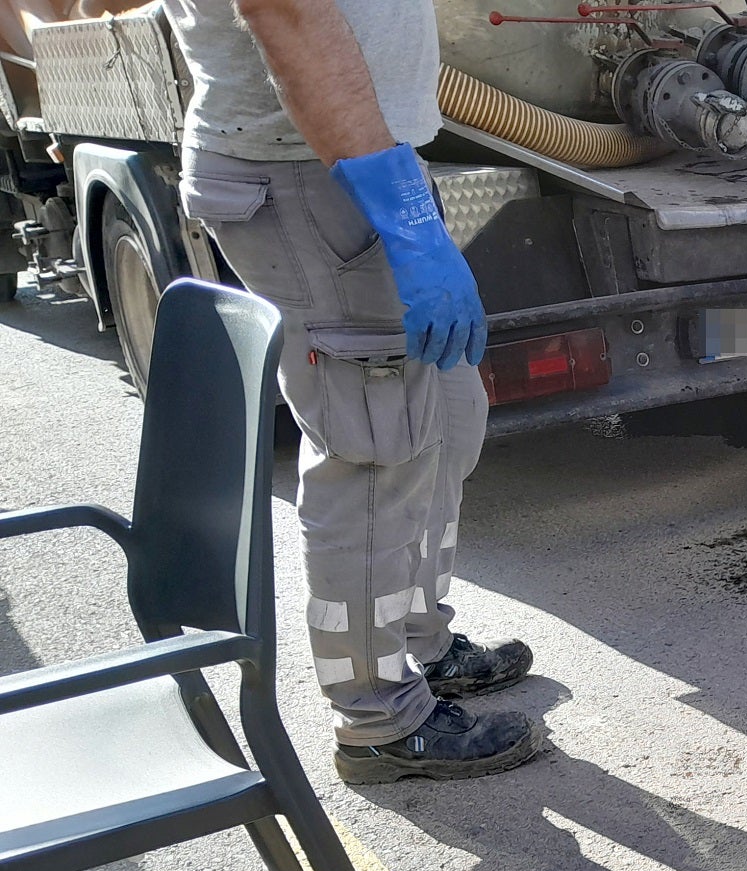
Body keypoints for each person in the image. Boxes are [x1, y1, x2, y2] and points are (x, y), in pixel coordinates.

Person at [161, 0, 543, 782]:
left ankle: (420, 644)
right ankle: (377, 719)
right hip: (311, 171)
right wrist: (399, 208)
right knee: (375, 453)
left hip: (366, 157)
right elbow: (286, 9)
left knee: (446, 423)